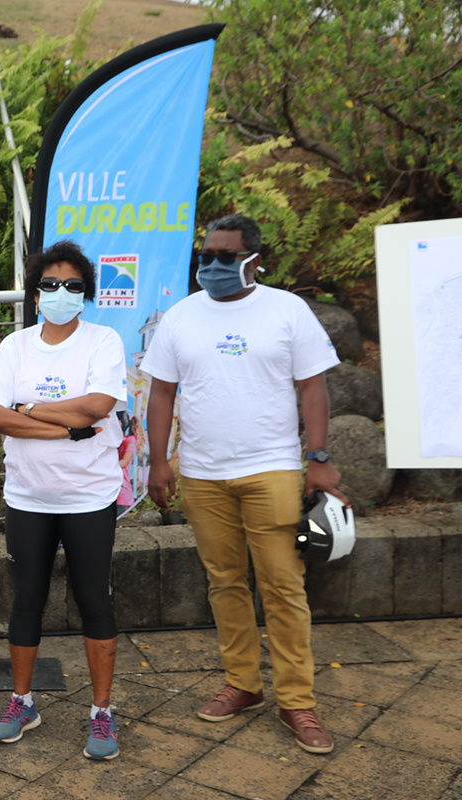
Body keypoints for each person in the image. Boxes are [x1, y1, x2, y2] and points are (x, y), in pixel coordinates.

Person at [141, 213, 347, 754]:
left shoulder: (287, 310)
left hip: (270, 469)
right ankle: (243, 684)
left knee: (283, 585)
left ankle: (297, 702)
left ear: (253, 260)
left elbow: (313, 387)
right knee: (225, 582)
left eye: (225, 257)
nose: (211, 265)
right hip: (202, 473)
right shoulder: (181, 317)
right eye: (205, 256)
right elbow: (161, 393)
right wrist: (158, 462)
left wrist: (318, 458)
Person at [0, 240, 127, 760]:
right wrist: (65, 429)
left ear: (86, 292)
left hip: (89, 496)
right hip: (28, 496)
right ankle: (22, 702)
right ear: (35, 292)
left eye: (72, 284)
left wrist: (29, 408)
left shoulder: (103, 340)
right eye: (50, 284)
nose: (61, 292)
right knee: (26, 600)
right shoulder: (16, 346)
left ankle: (102, 711)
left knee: (94, 600)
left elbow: (98, 406)